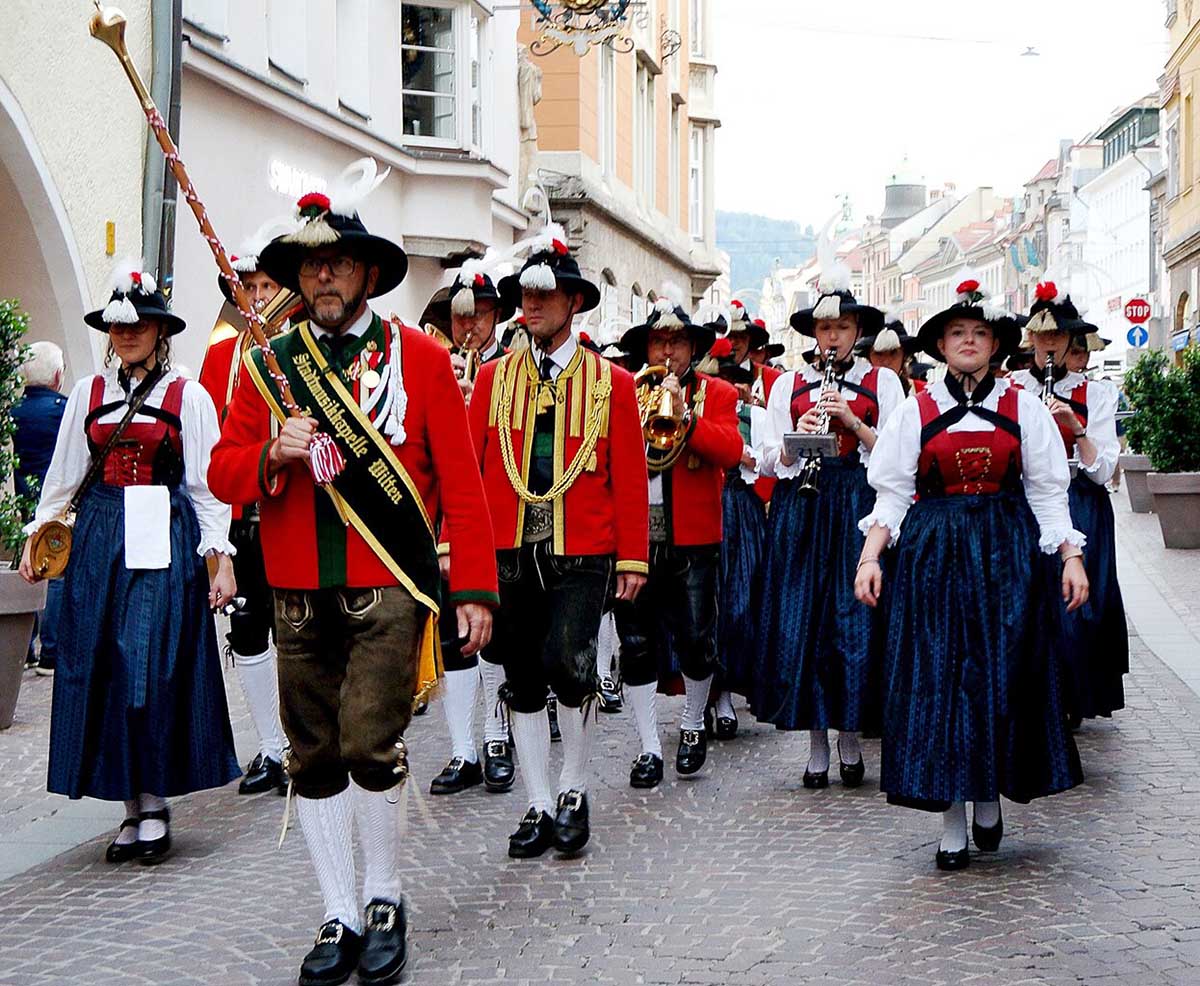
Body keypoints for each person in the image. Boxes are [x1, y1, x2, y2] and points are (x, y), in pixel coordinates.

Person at [208, 165, 499, 986]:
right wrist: (271, 451)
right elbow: (225, 471)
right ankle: (336, 910)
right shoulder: (267, 365)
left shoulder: (420, 359)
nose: (321, 277)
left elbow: (463, 486)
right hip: (297, 589)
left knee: (372, 742)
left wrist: (472, 589)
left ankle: (383, 896)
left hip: (388, 587)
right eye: (308, 266)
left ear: (368, 272)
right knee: (313, 755)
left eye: (335, 263)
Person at [855, 277, 1087, 870]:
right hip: (935, 558)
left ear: (994, 345)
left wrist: (1070, 557)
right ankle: (953, 817)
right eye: (957, 333)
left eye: (979, 333)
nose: (968, 341)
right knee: (941, 679)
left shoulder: (1022, 406)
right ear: (941, 343)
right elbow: (892, 493)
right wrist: (870, 556)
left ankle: (988, 796)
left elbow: (1046, 489)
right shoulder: (919, 407)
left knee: (999, 675)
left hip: (1006, 556)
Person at [19, 259, 240, 867]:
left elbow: (206, 486)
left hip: (161, 534)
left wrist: (218, 558)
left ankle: (155, 800)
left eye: (138, 325)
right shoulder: (88, 395)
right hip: (98, 540)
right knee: (103, 666)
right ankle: (129, 806)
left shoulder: (186, 397)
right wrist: (39, 536)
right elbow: (63, 478)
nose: (127, 335)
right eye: (118, 327)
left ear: (159, 331)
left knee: (148, 663)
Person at [470, 223, 649, 858]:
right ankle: (537, 802)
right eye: (525, 295)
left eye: (545, 296)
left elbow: (628, 474)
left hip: (583, 547)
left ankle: (574, 789)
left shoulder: (612, 384)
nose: (532, 305)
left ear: (573, 302)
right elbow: (473, 469)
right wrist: (462, 552)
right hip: (510, 549)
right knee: (518, 675)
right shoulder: (492, 382)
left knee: (568, 666)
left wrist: (632, 555)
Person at [753, 266, 904, 789]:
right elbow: (769, 459)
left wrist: (854, 424)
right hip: (805, 507)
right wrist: (800, 438)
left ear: (856, 330)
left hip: (856, 505)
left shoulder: (881, 381)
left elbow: (899, 454)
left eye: (842, 328)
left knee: (853, 624)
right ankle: (816, 740)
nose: (833, 337)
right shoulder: (791, 384)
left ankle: (850, 734)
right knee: (806, 624)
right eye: (824, 329)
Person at [615, 296, 742, 787]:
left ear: (692, 348)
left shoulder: (718, 393)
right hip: (635, 536)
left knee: (695, 638)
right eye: (659, 341)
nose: (667, 350)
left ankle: (692, 722)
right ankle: (648, 746)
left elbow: (731, 451)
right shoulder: (626, 392)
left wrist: (684, 415)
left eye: (677, 341)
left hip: (692, 536)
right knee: (636, 642)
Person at [198, 221, 294, 797]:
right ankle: (270, 746)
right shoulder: (219, 357)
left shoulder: (299, 353)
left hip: (292, 512)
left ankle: (309, 740)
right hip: (241, 517)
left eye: (265, 287)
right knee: (248, 627)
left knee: (301, 630)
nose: (257, 298)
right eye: (248, 289)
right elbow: (210, 449)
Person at [420, 261, 517, 796]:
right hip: (441, 522)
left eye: (478, 316)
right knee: (454, 641)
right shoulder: (435, 366)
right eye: (460, 319)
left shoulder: (509, 370)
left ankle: (496, 736)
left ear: (495, 317)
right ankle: (462, 750)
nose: (469, 328)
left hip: (494, 520)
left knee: (493, 638)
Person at [1011, 282, 1127, 726]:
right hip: (1028, 503)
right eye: (1042, 338)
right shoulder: (1016, 388)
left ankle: (1073, 697)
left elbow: (1102, 472)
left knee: (1079, 604)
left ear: (1069, 342)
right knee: (1031, 600)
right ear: (1031, 341)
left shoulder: (1095, 393)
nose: (1049, 346)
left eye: (1057, 338)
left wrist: (1074, 426)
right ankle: (1036, 694)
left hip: (1081, 504)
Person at [703, 336, 769, 740]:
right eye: (721, 378)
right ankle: (707, 697)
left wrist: (744, 454)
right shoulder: (699, 410)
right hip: (706, 505)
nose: (729, 386)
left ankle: (727, 693)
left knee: (739, 605)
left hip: (741, 510)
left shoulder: (754, 416)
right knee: (703, 605)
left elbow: (765, 462)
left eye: (734, 379)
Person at [13, 341, 67, 675]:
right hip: (56, 504)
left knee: (26, 567)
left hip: (23, 499)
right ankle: (51, 650)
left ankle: (25, 644)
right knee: (56, 572)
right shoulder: (63, 409)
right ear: (58, 375)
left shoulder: (13, 411)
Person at [856, 313, 922, 396]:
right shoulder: (855, 394)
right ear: (868, 357)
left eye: (893, 353)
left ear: (904, 356)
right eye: (878, 353)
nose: (886, 361)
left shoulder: (923, 394)